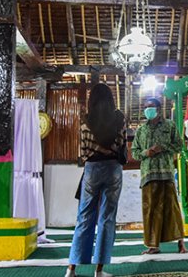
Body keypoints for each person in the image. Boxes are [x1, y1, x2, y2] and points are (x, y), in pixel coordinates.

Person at [66, 83, 127, 277]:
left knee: (84, 216)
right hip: (113, 169)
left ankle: (71, 269)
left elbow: (82, 152)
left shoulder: (85, 119)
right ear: (111, 98)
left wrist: (92, 155)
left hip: (92, 169)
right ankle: (99, 271)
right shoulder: (119, 118)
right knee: (107, 218)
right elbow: (122, 145)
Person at [131, 97, 188, 255]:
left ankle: (181, 243)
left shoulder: (169, 125)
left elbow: (178, 145)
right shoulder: (141, 130)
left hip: (166, 173)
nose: (148, 109)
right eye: (146, 107)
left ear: (158, 108)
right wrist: (146, 152)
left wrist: (162, 148)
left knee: (172, 209)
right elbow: (134, 152)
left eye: (151, 107)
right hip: (148, 175)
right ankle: (153, 245)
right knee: (150, 211)